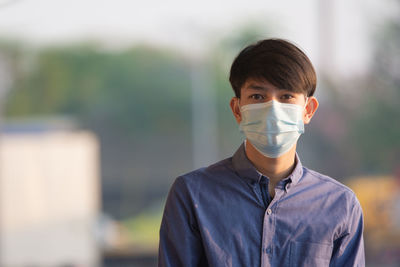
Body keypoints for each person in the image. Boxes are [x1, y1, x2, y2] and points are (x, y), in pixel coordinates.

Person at [158, 38, 365, 267]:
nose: (272, 108)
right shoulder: (193, 196)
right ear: (238, 110)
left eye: (286, 96)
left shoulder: (339, 205)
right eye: (258, 97)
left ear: (308, 110)